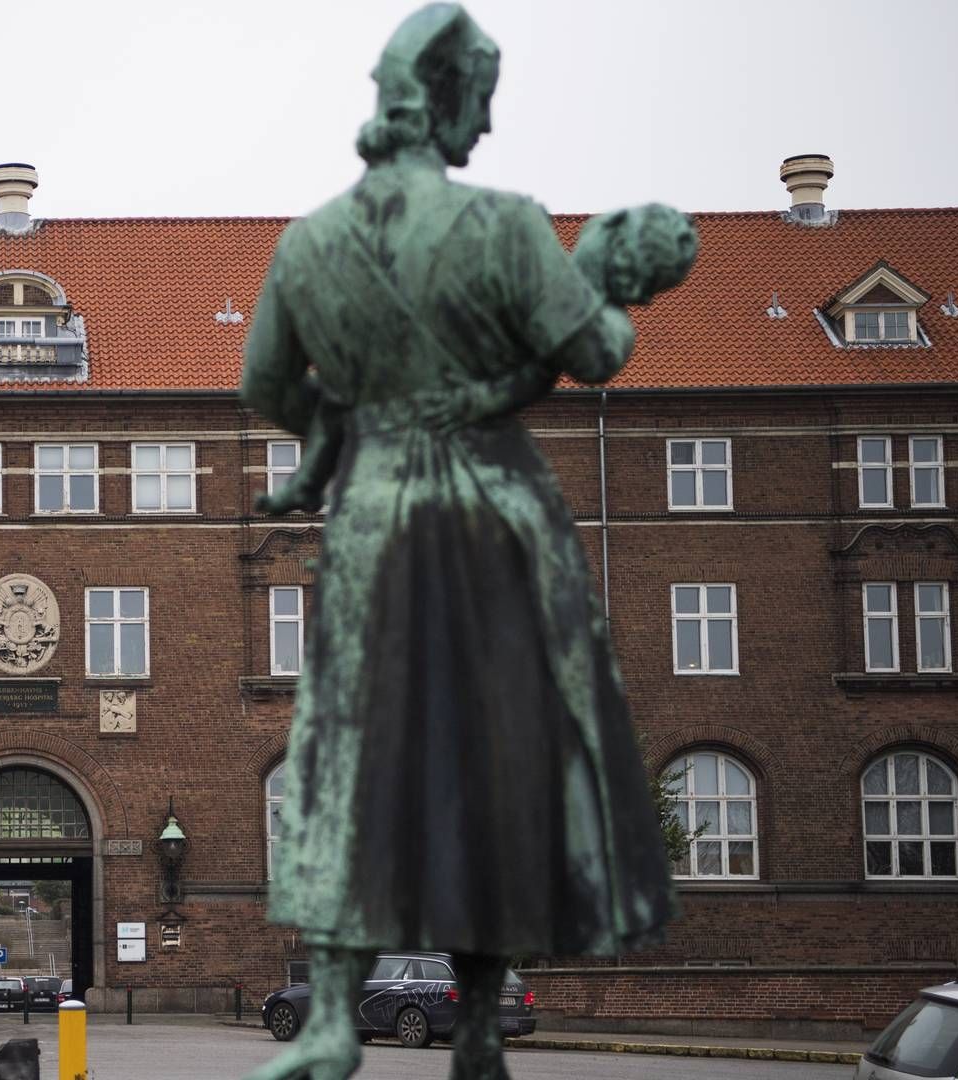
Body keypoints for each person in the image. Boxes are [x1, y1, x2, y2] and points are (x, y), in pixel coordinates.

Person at [240, 5, 691, 1079]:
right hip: (497, 510)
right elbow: (595, 352)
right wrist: (610, 306)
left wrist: (333, 427)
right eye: (479, 106)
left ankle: (339, 1015)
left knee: (349, 746)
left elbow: (262, 384)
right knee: (496, 756)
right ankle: (480, 1027)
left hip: (376, 510)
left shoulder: (306, 245)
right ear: (445, 104)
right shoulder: (508, 225)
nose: (484, 132)